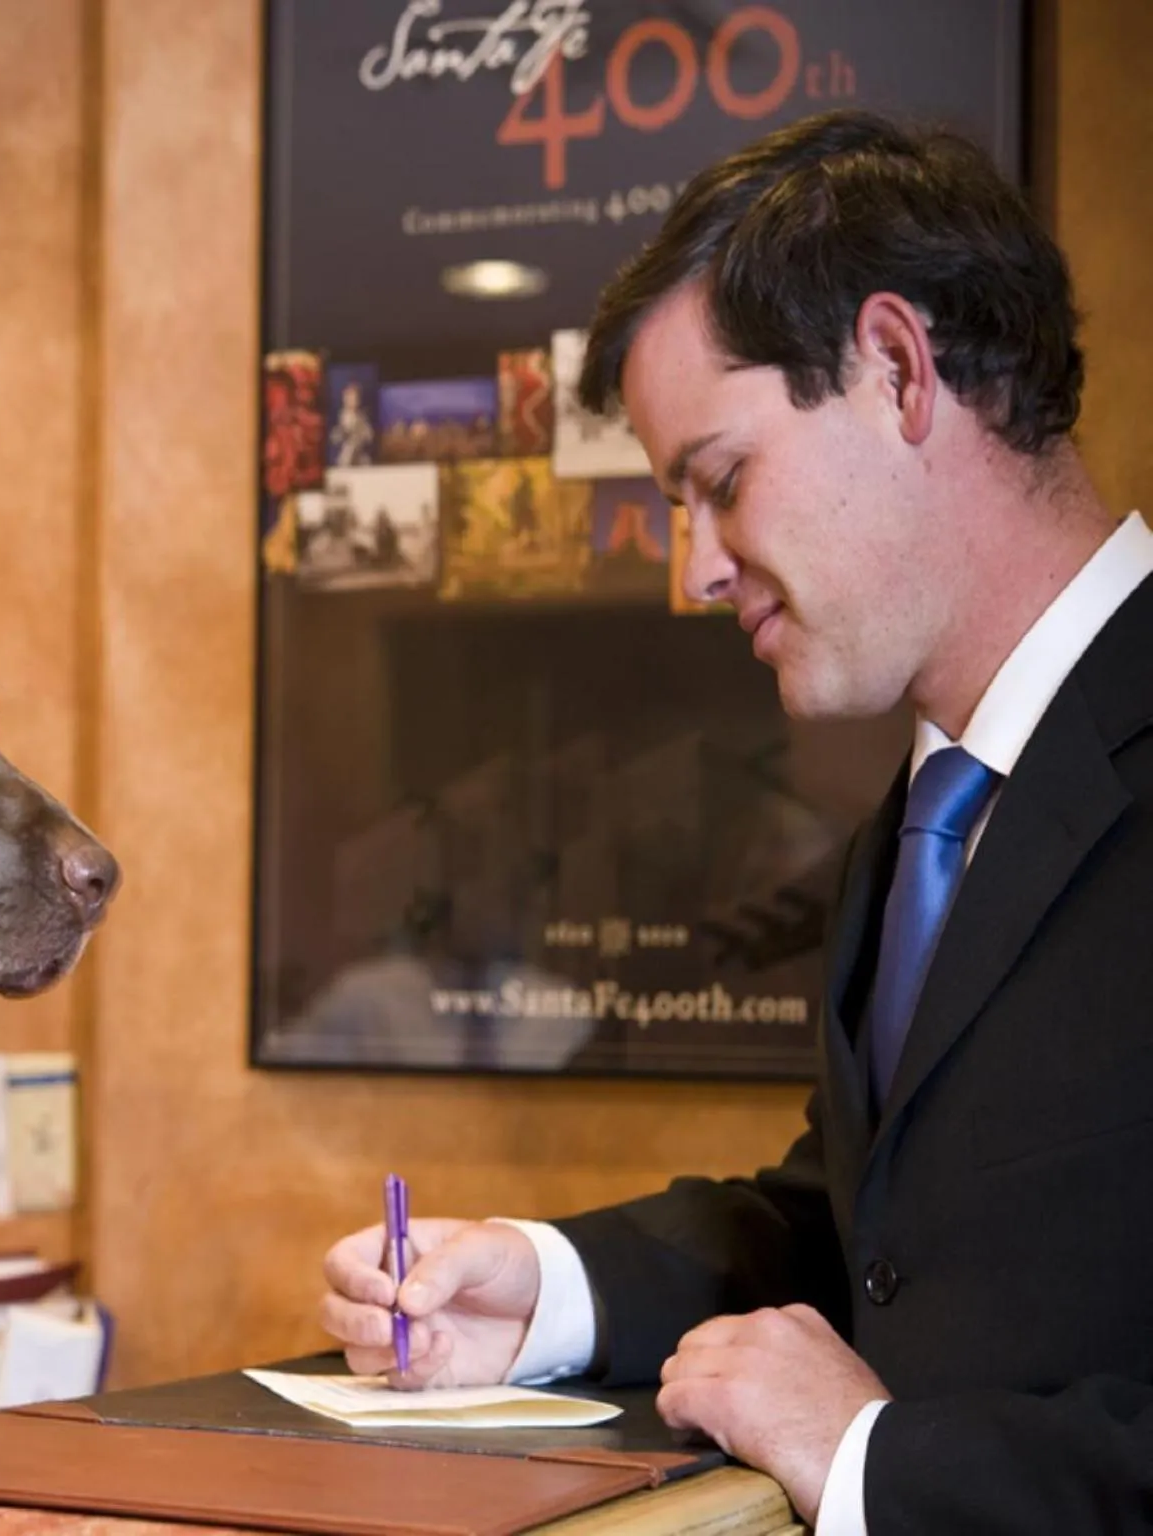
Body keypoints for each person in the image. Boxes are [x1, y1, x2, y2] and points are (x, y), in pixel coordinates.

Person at [319, 108, 1153, 1532]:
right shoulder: (922, 820)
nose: (693, 575)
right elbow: (866, 1231)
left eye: (718, 482)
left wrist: (883, 1463)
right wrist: (548, 1287)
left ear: (897, 368)